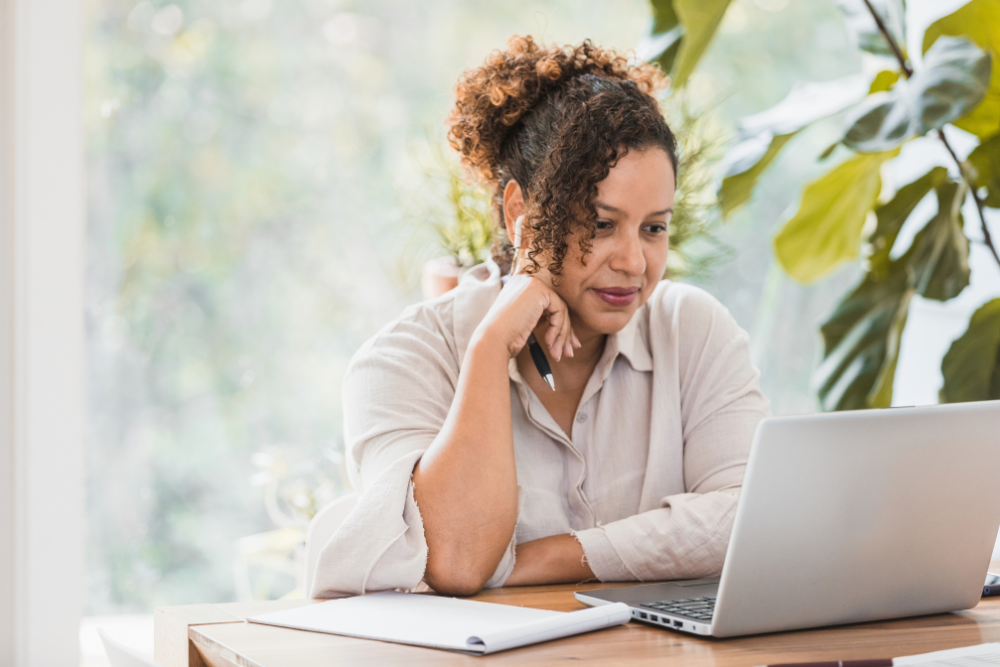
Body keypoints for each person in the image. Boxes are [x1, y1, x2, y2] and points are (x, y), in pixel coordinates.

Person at [311, 35, 770, 598]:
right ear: (519, 214)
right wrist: (487, 352)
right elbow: (456, 559)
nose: (633, 262)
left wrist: (543, 558)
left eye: (654, 227)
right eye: (601, 224)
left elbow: (750, 519)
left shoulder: (692, 330)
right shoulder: (403, 361)